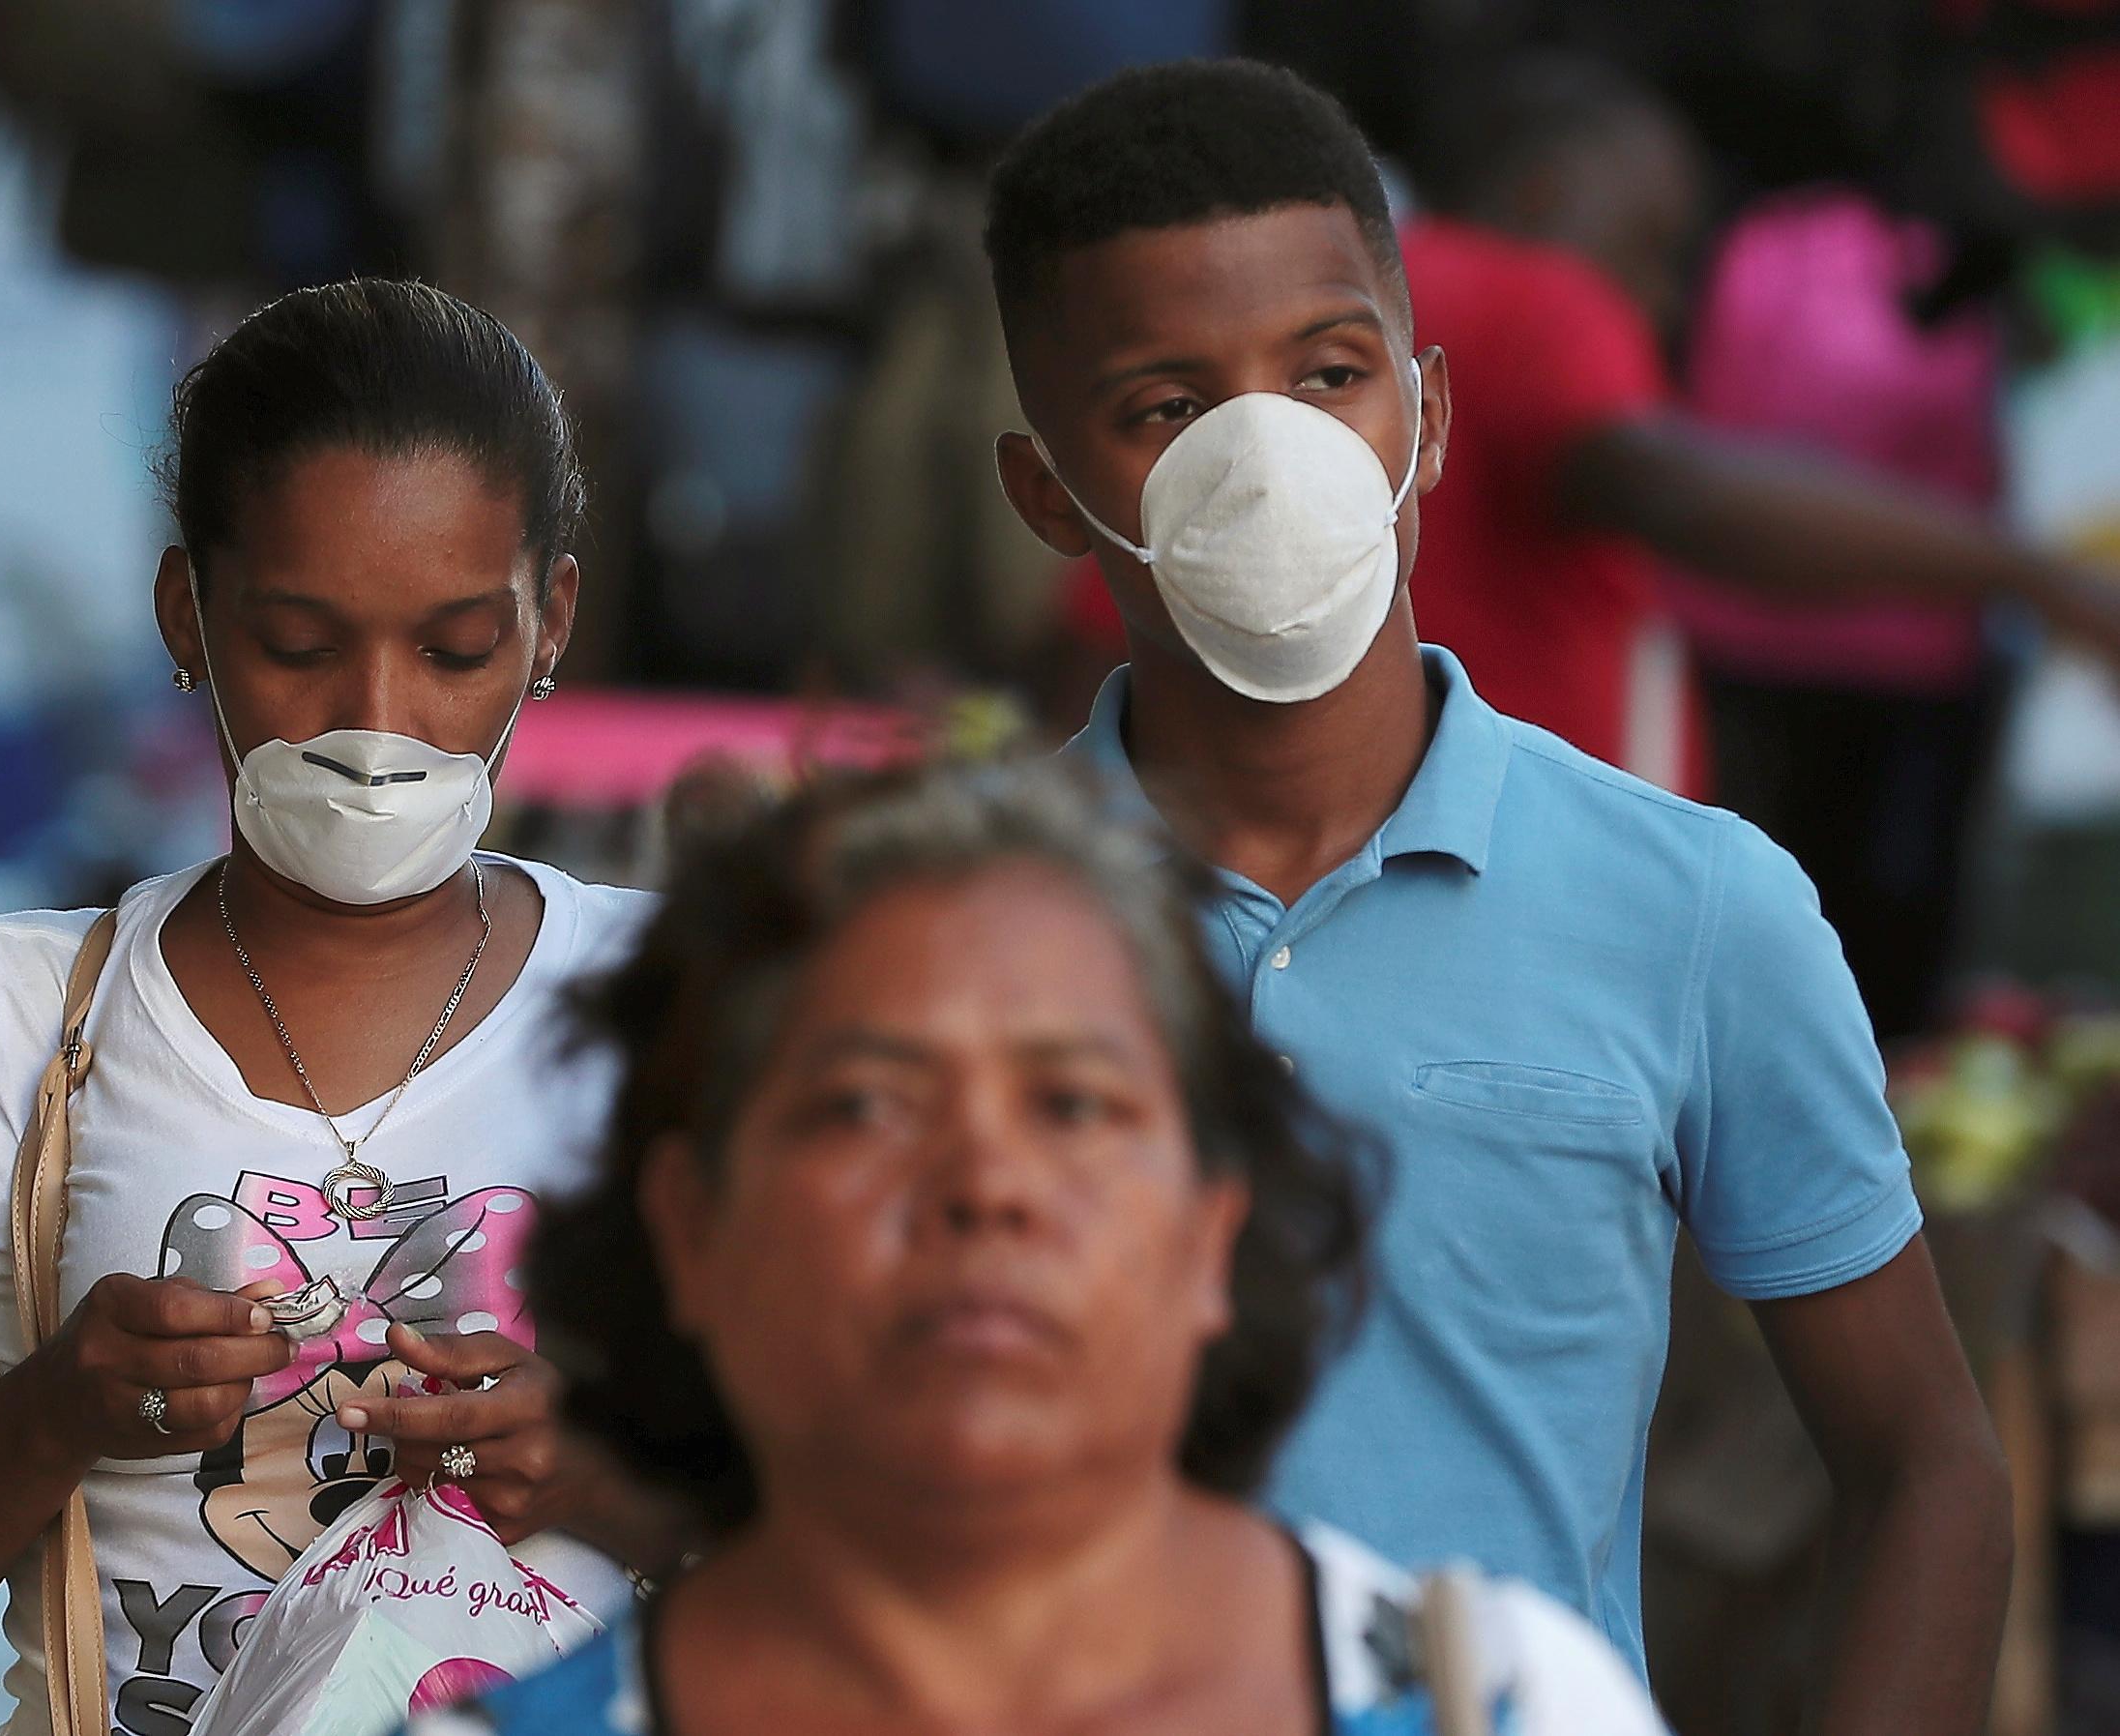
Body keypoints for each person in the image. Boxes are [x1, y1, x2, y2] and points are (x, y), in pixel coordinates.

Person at [981, 58, 2013, 1735]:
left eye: (1328, 373)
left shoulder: (1693, 908)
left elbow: (1926, 1466)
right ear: (1049, 493)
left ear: (1428, 417)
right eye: (1167, 409)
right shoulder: (931, 921)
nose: (1270, 460)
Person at [0, 280, 691, 1734]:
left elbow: (878, 1537)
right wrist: (49, 1414)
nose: (376, 720)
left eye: (453, 650)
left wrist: (595, 1484)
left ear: (550, 618)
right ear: (188, 613)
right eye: (299, 644)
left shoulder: (671, 1007)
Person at [409, 762, 1668, 1735]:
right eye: (865, 1104)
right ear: (688, 1226)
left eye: (1073, 1103)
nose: (985, 1182)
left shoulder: (1504, 1700)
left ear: (1209, 1225)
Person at [1400, 50, 2120, 796]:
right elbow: (1676, 489)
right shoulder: (1529, 296)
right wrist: (2035, 575)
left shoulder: (1394, 301)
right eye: (1652, 244)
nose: (1666, 302)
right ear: (1540, 196)